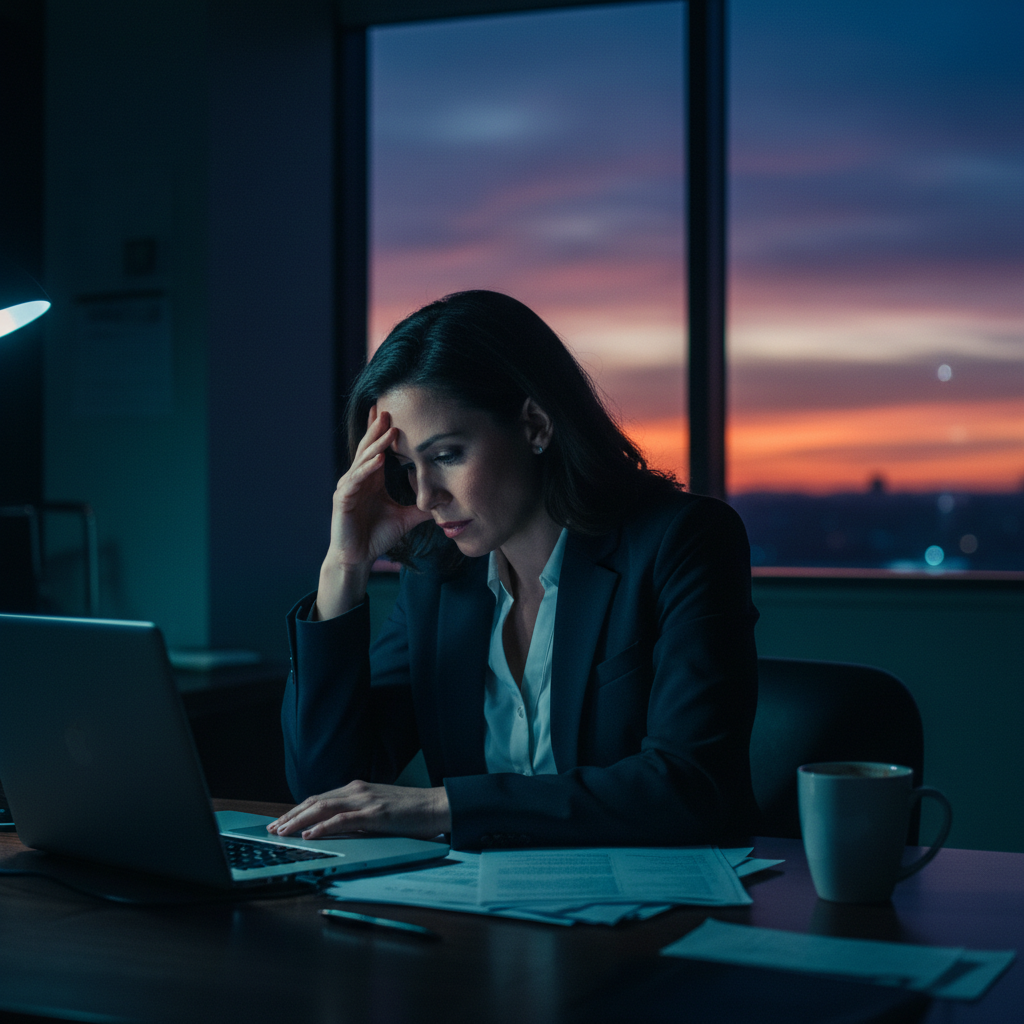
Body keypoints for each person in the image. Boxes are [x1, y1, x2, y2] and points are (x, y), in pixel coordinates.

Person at [270, 290, 759, 850]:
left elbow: (692, 786)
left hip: (652, 894)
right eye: (406, 467)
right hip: (476, 895)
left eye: (447, 455)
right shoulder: (438, 577)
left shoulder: (683, 540)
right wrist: (344, 566)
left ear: (535, 424)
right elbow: (326, 789)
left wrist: (444, 806)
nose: (425, 496)